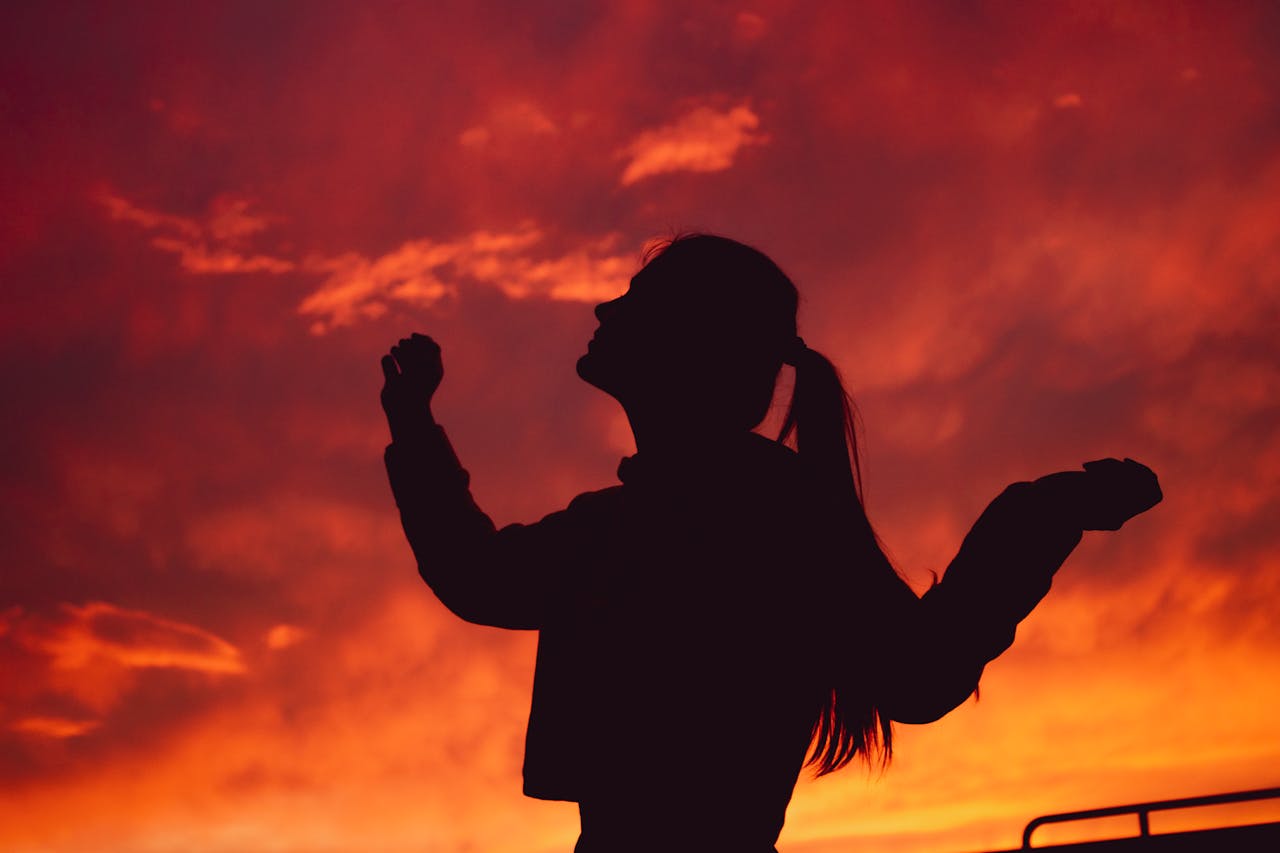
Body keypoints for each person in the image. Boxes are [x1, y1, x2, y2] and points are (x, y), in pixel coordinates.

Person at [379, 234, 1162, 853]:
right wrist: (1041, 517)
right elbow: (919, 674)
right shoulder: (684, 515)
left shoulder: (733, 516)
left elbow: (474, 575)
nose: (602, 307)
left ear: (683, 344)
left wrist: (1040, 515)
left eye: (634, 299)